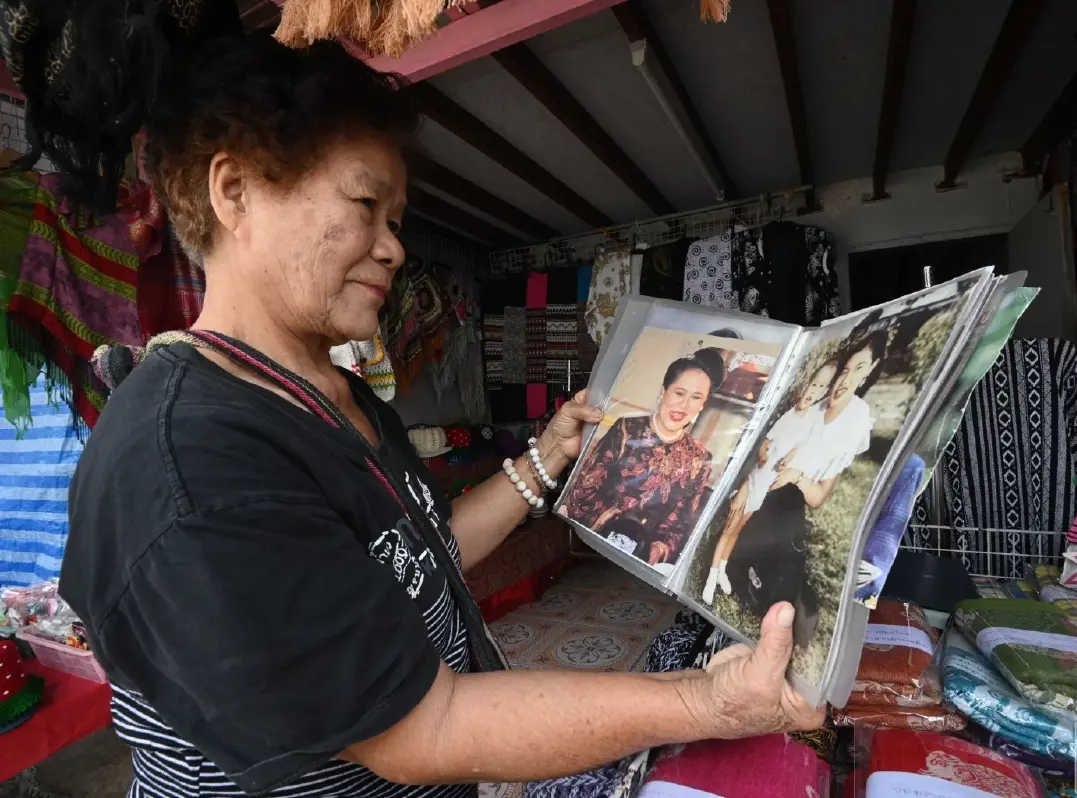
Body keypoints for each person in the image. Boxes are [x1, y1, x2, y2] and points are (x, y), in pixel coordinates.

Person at [47, 30, 823, 798]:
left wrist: (545, 458)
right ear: (235, 191)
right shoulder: (194, 461)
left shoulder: (339, 397)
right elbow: (429, 727)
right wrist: (708, 701)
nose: (393, 249)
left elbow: (419, 558)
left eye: (395, 220)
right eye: (365, 205)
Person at [723, 326, 887, 643]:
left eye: (859, 370)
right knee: (741, 552)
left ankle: (777, 591)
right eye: (845, 369)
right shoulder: (812, 407)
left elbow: (818, 497)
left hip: (784, 504)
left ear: (868, 375)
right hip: (760, 488)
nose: (845, 379)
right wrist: (766, 452)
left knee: (781, 531)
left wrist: (796, 476)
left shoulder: (855, 423)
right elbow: (771, 444)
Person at [562, 348, 725, 571]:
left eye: (696, 398)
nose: (684, 405)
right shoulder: (626, 429)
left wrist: (659, 547)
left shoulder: (699, 458)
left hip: (645, 561)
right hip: (599, 545)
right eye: (679, 393)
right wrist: (619, 529)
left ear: (702, 405)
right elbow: (582, 491)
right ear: (664, 391)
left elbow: (680, 525)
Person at [701, 357, 837, 604]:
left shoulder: (812, 423)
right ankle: (711, 579)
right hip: (755, 480)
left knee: (738, 530)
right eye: (813, 385)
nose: (814, 392)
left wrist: (789, 463)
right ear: (806, 384)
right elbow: (766, 444)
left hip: (766, 488)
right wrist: (764, 455)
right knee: (730, 527)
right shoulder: (790, 414)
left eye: (821, 389)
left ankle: (722, 570)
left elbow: (798, 451)